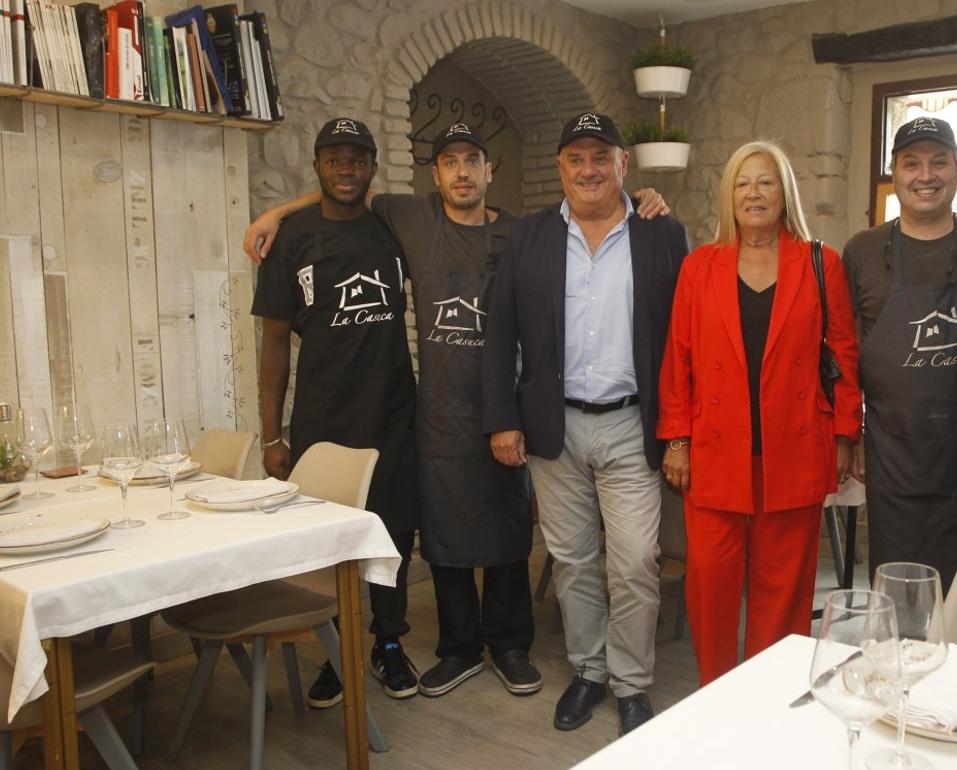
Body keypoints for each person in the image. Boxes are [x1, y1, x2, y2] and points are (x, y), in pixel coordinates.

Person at [243, 123, 671, 702]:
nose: (462, 172)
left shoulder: (529, 232)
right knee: (443, 533)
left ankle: (511, 644)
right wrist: (276, 214)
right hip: (440, 411)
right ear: (435, 175)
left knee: (509, 526)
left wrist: (640, 197)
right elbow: (345, 193)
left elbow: (593, 210)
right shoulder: (411, 219)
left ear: (489, 171)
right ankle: (459, 648)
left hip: (512, 407)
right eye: (450, 162)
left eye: (473, 160)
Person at [481, 112, 690, 736]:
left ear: (624, 164)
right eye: (576, 158)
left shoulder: (661, 232)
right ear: (561, 168)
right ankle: (589, 670)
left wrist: (679, 427)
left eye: (602, 156)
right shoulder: (529, 236)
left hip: (631, 424)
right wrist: (503, 419)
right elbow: (501, 335)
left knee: (632, 563)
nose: (589, 169)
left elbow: (683, 338)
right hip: (554, 427)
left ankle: (631, 682)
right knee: (571, 560)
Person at [657, 141, 861, 686]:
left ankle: (771, 695)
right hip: (715, 453)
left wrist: (845, 434)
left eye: (766, 181)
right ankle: (718, 695)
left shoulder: (821, 263)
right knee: (710, 588)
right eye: (743, 183)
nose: (754, 193)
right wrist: (676, 439)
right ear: (730, 195)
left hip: (792, 451)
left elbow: (843, 356)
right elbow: (678, 359)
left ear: (784, 192)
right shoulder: (700, 267)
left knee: (784, 590)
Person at [250, 117, 421, 705]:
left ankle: (390, 642)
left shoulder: (392, 224)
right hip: (324, 421)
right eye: (333, 160)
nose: (345, 170)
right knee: (333, 540)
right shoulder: (292, 239)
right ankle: (337, 649)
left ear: (373, 166)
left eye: (356, 159)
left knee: (395, 531)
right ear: (317, 166)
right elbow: (274, 343)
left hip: (395, 411)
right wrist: (273, 435)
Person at [841, 118, 957, 592]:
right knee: (900, 600)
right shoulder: (863, 251)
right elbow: (844, 357)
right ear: (894, 173)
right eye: (912, 163)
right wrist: (852, 436)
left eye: (939, 162)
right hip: (894, 459)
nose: (925, 175)